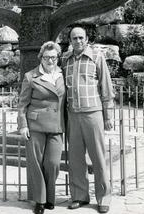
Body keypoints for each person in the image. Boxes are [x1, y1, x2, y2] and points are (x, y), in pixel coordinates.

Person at [61, 27, 114, 213]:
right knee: (75, 159)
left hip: (93, 113)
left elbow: (106, 88)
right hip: (73, 115)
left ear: (87, 39)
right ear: (70, 40)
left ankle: (104, 197)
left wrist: (107, 115)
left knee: (98, 157)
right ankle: (79, 196)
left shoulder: (97, 57)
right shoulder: (64, 60)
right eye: (74, 38)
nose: (78, 41)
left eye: (81, 37)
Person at [17, 41, 66, 214]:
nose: (50, 61)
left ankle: (50, 197)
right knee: (36, 164)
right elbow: (22, 104)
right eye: (46, 57)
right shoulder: (31, 76)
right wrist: (23, 125)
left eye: (53, 57)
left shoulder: (63, 75)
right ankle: (40, 200)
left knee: (52, 163)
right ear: (41, 58)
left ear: (58, 57)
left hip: (56, 125)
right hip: (35, 125)